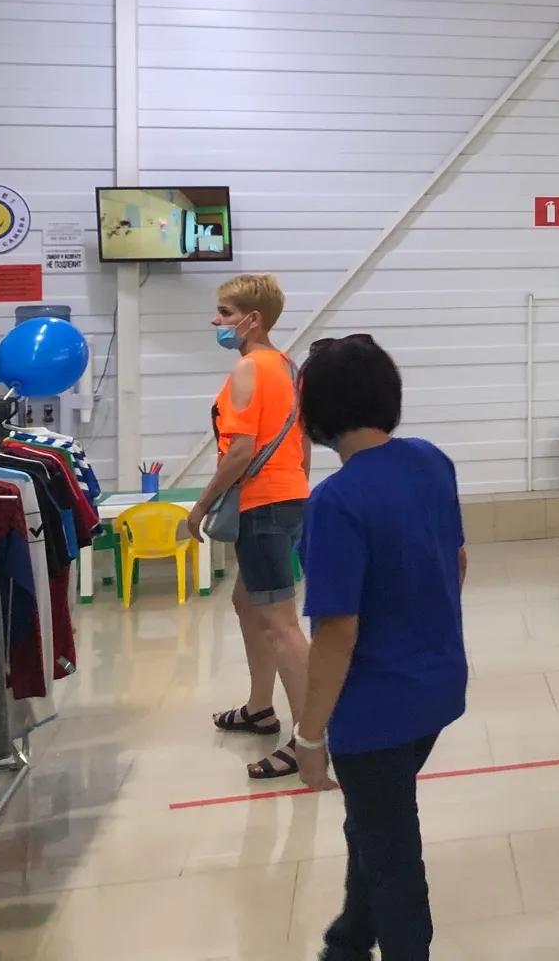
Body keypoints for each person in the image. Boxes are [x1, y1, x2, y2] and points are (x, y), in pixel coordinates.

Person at [292, 334, 468, 961]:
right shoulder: (430, 460)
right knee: (372, 819)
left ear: (318, 412)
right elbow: (456, 562)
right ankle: (348, 940)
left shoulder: (335, 502)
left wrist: (309, 735)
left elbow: (336, 632)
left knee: (392, 854)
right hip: (438, 687)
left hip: (375, 712)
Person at [192, 273, 312, 780]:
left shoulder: (247, 368)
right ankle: (260, 708)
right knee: (248, 603)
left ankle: (310, 739)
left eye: (225, 313)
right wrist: (295, 489)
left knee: (281, 623)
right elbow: (303, 444)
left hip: (261, 506)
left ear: (252, 319)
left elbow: (240, 451)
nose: (216, 321)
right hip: (289, 497)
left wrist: (200, 506)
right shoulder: (287, 367)